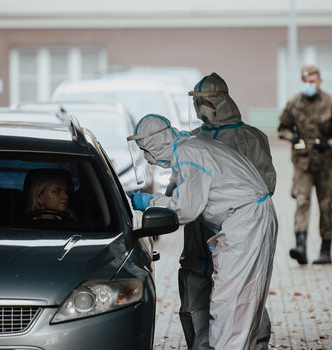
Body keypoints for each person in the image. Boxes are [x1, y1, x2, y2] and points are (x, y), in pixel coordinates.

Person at [128, 114, 278, 350]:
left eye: (145, 149)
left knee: (230, 304)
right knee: (239, 303)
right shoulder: (189, 147)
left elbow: (185, 210)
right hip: (246, 221)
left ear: (156, 142)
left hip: (245, 224)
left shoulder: (189, 154)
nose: (148, 158)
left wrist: (150, 202)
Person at [171, 72, 276, 350]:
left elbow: (264, 185)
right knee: (197, 306)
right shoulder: (192, 140)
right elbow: (179, 190)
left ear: (221, 100)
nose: (200, 106)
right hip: (198, 243)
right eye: (197, 100)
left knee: (242, 304)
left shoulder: (250, 137)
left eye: (205, 100)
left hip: (237, 237)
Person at [278, 65, 332, 265]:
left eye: (312, 81)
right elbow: (282, 128)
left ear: (319, 81)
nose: (309, 85)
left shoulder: (329, 103)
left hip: (326, 163)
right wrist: (292, 138)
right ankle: (300, 245)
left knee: (327, 205)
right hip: (302, 162)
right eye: (306, 82)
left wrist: (328, 143)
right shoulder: (294, 103)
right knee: (302, 201)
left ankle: (326, 247)